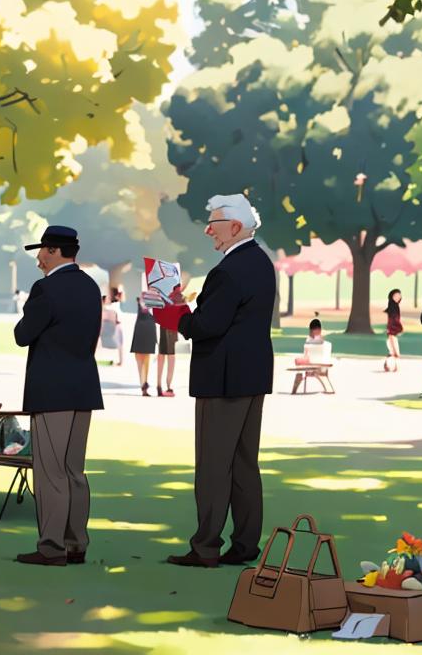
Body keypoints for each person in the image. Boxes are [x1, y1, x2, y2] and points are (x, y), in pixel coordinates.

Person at [155, 193, 274, 569]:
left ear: (235, 227)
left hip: (221, 380)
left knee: (212, 466)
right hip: (252, 377)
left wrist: (173, 314)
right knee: (244, 464)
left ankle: (205, 547)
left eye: (214, 224)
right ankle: (245, 544)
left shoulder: (228, 270)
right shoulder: (261, 262)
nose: (208, 231)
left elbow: (207, 326)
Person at [13, 226, 102, 566]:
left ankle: (51, 546)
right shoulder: (90, 286)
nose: (38, 258)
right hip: (83, 387)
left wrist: (29, 310)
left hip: (52, 390)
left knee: (50, 472)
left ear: (52, 251)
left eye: (42, 251)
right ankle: (76, 543)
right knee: (74, 471)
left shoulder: (46, 288)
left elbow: (23, 334)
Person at [129, 296, 156, 395]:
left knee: (146, 358)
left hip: (148, 327)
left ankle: (144, 384)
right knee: (140, 358)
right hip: (141, 327)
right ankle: (143, 383)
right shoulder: (141, 296)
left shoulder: (156, 297)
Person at [100, 290, 124, 366]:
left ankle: (121, 361)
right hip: (113, 326)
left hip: (115, 326)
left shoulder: (114, 306)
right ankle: (120, 361)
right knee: (119, 343)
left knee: (120, 343)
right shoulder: (109, 308)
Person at [156, 324, 177, 397]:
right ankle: (167, 386)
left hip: (165, 324)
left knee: (162, 354)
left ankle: (160, 385)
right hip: (171, 325)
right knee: (171, 355)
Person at [384, 289, 403, 372]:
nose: (398, 297)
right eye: (396, 295)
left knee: (392, 351)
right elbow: (392, 320)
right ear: (392, 296)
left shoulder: (395, 306)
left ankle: (390, 365)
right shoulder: (393, 307)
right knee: (394, 351)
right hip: (391, 332)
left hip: (392, 332)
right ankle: (392, 366)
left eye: (399, 295)